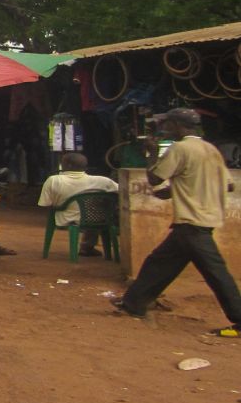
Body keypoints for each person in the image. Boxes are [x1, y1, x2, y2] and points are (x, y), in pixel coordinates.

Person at [115, 109, 241, 338]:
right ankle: (133, 303)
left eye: (168, 124)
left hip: (191, 221)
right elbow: (226, 185)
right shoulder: (210, 149)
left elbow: (154, 178)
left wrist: (151, 154)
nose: (165, 128)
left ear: (177, 124)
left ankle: (240, 319)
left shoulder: (180, 148)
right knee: (159, 262)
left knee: (216, 273)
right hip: (204, 219)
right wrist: (178, 190)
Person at [38, 152, 118, 257]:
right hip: (97, 219)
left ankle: (85, 248)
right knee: (96, 209)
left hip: (67, 219)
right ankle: (88, 248)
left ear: (68, 165)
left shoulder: (54, 180)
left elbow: (45, 204)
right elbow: (124, 191)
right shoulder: (103, 181)